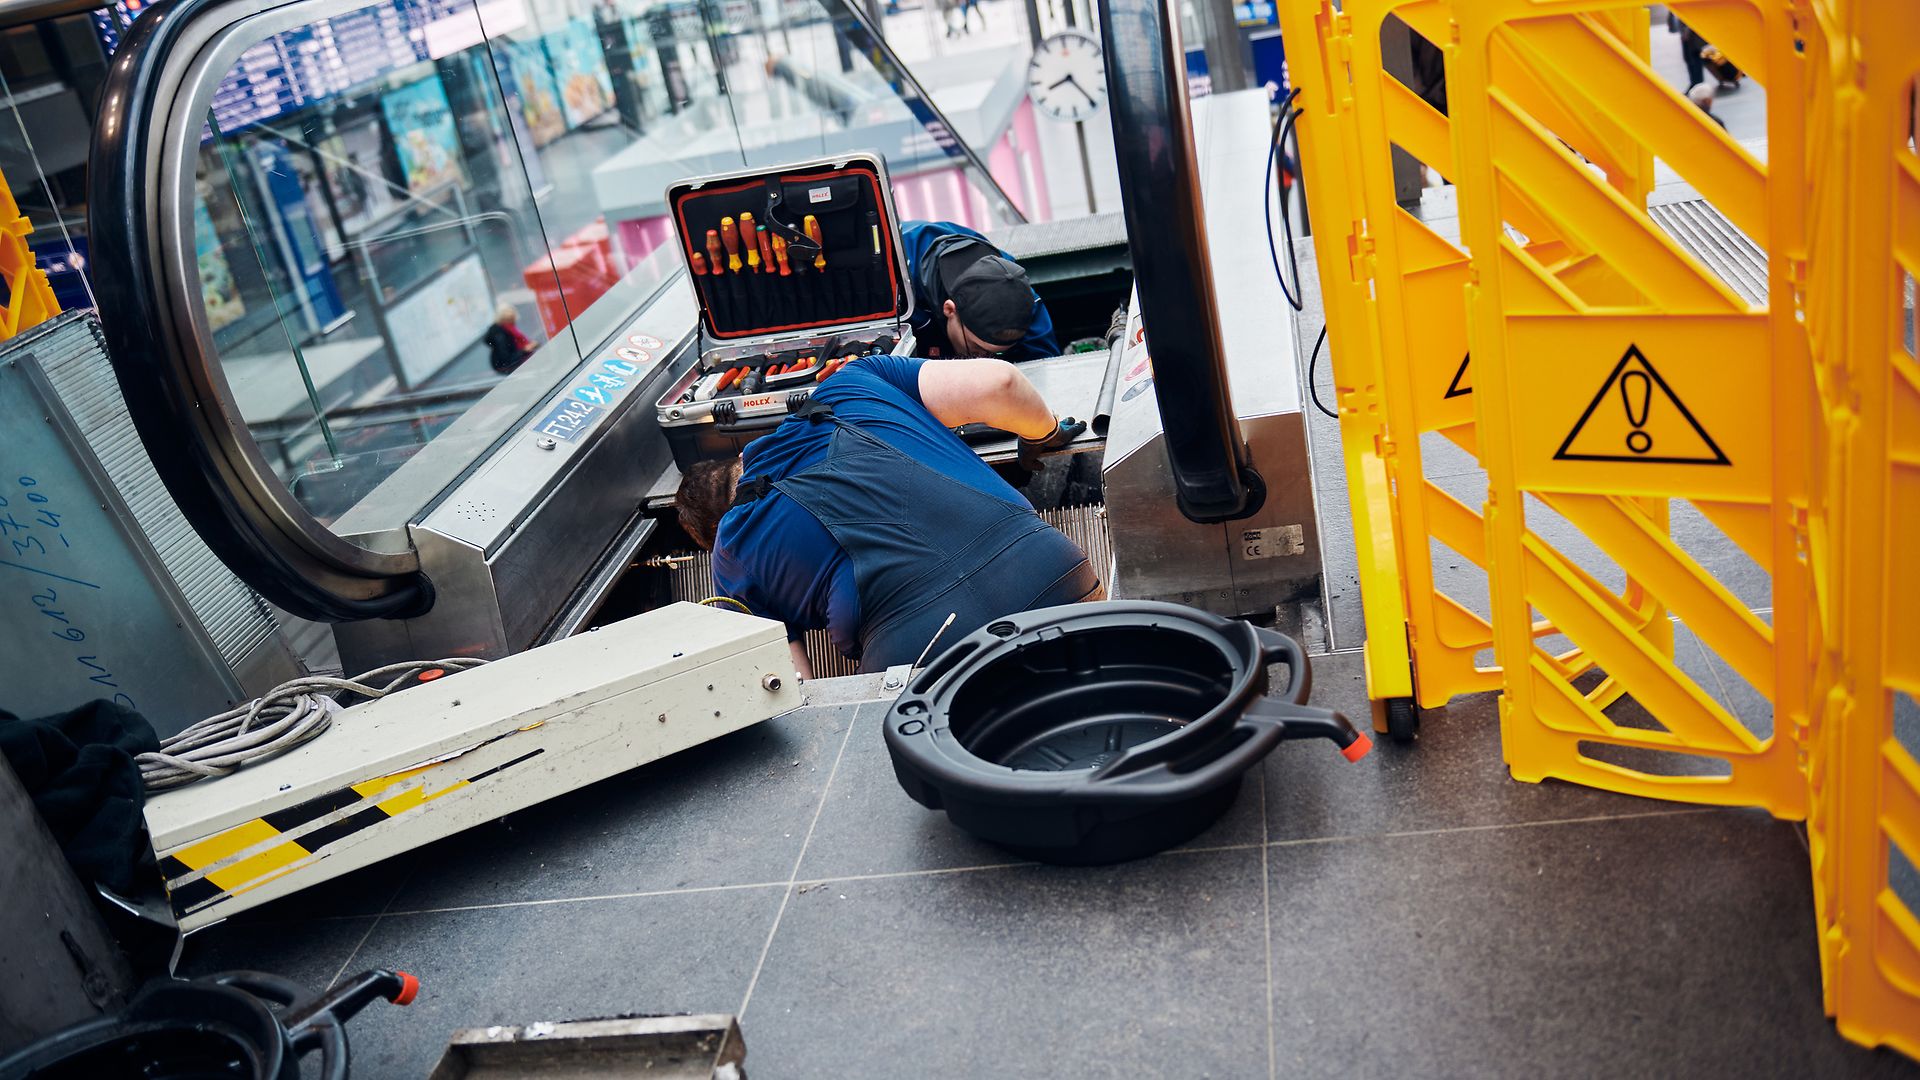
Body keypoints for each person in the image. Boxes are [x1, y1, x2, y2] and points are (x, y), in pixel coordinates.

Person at [676, 354, 1095, 676]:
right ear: (742, 457)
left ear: (714, 532)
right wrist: (1044, 432)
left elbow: (790, 690)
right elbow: (1001, 382)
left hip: (920, 657)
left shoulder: (730, 552)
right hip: (1051, 571)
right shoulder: (853, 384)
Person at [900, 220, 1060, 362]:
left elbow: (1043, 363)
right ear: (950, 310)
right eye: (976, 350)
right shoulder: (897, 288)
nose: (985, 362)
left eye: (996, 355)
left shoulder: (1019, 296)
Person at [483, 302, 533, 374]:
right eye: (509, 319)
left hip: (509, 363)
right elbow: (506, 358)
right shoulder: (500, 333)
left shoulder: (508, 329)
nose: (512, 322)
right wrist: (524, 351)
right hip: (506, 366)